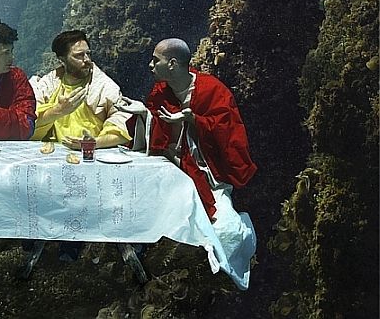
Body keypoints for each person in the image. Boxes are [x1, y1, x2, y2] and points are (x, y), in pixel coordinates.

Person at [118, 38, 256, 289]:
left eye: (155, 60)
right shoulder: (160, 90)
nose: (150, 65)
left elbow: (229, 131)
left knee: (227, 231)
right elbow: (157, 131)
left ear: (172, 64)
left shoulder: (212, 89)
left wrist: (194, 120)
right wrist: (142, 114)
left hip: (206, 170)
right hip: (172, 165)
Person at [24, 30, 132, 264]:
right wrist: (58, 112)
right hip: (51, 153)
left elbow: (120, 122)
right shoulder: (48, 83)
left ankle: (71, 242)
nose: (87, 60)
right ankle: (33, 233)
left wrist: (93, 143)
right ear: (62, 59)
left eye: (88, 54)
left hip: (90, 156)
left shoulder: (103, 85)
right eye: (79, 55)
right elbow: (29, 119)